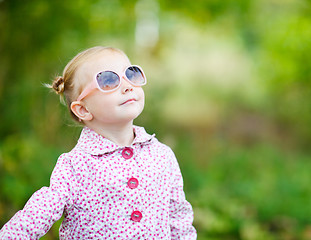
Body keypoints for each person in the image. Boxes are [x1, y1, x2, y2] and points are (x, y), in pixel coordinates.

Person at [0, 46, 197, 239]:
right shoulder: (75, 166)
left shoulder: (161, 155)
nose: (127, 85)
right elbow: (38, 213)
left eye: (131, 74)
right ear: (83, 110)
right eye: (109, 80)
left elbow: (178, 216)